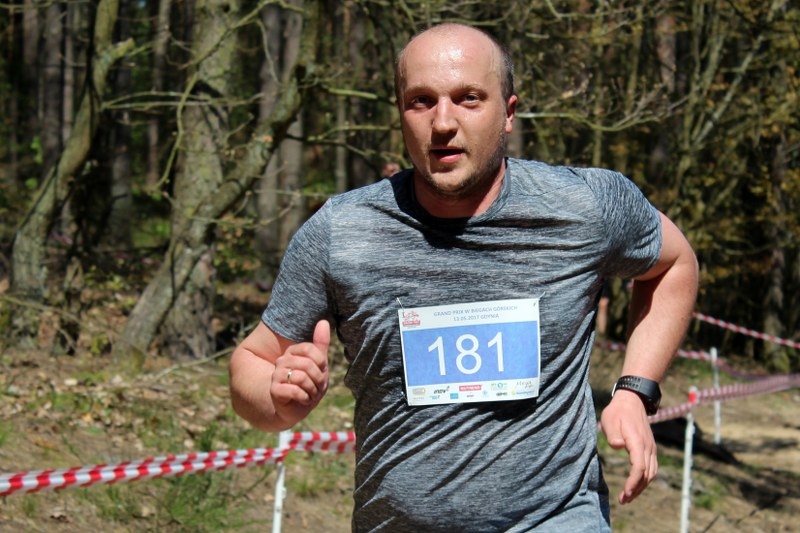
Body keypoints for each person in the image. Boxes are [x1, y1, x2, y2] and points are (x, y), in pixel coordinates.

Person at [229, 23, 699, 532]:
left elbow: (675, 264)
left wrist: (634, 391)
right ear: (400, 113)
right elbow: (253, 362)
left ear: (509, 113)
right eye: (421, 101)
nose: (443, 122)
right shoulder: (341, 232)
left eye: (468, 98)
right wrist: (277, 398)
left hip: (556, 517)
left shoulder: (583, 207)